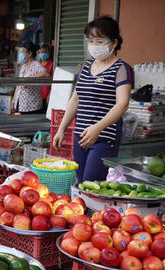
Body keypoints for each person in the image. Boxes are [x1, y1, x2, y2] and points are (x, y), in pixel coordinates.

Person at [52, 16, 133, 182]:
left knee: (92, 184)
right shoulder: (86, 66)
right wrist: (62, 129)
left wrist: (97, 128)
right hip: (80, 136)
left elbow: (122, 104)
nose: (94, 46)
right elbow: (75, 99)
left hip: (104, 138)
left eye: (99, 41)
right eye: (91, 41)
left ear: (114, 43)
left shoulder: (121, 69)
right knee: (81, 183)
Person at [12, 42, 49, 115]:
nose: (21, 54)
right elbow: (18, 85)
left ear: (29, 54)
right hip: (20, 103)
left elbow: (46, 73)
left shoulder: (35, 64)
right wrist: (13, 100)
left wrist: (29, 78)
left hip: (31, 105)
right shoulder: (23, 66)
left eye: (23, 52)